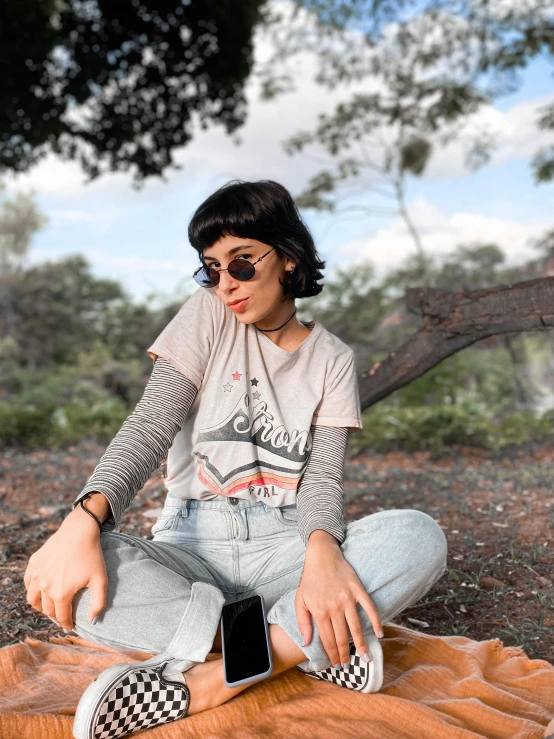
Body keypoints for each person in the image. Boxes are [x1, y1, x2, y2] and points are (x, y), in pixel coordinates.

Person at [23, 180, 448, 739]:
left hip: (286, 545)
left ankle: (213, 678)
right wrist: (84, 519)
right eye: (211, 269)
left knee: (418, 537)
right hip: (191, 545)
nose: (225, 285)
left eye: (242, 264)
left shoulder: (334, 360)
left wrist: (322, 554)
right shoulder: (207, 315)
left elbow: (321, 480)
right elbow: (150, 424)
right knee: (78, 581)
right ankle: (311, 641)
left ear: (288, 258)